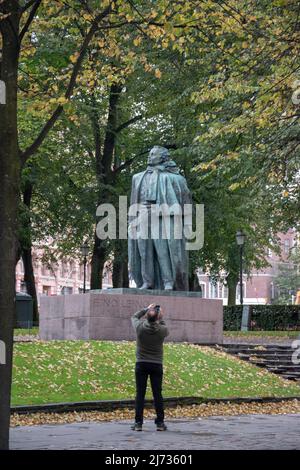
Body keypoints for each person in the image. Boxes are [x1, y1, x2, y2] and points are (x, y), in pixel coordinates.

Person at [131, 302, 169, 431]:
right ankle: (160, 423)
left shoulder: (140, 328)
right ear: (158, 317)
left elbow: (134, 317)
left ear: (146, 317)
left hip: (141, 363)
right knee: (157, 394)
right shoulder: (162, 330)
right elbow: (164, 327)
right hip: (156, 364)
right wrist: (160, 317)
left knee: (140, 394)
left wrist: (146, 309)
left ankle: (138, 423)